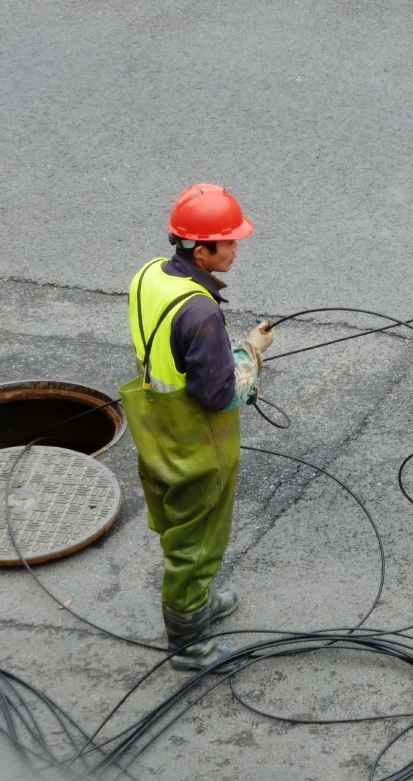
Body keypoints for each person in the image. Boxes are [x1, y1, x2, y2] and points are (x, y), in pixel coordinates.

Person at [119, 184, 274, 670]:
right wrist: (252, 353)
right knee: (198, 540)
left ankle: (198, 606)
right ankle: (190, 645)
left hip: (156, 426)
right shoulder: (202, 310)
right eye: (227, 242)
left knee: (181, 527)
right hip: (197, 443)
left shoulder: (149, 275)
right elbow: (221, 394)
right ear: (199, 249)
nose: (235, 249)